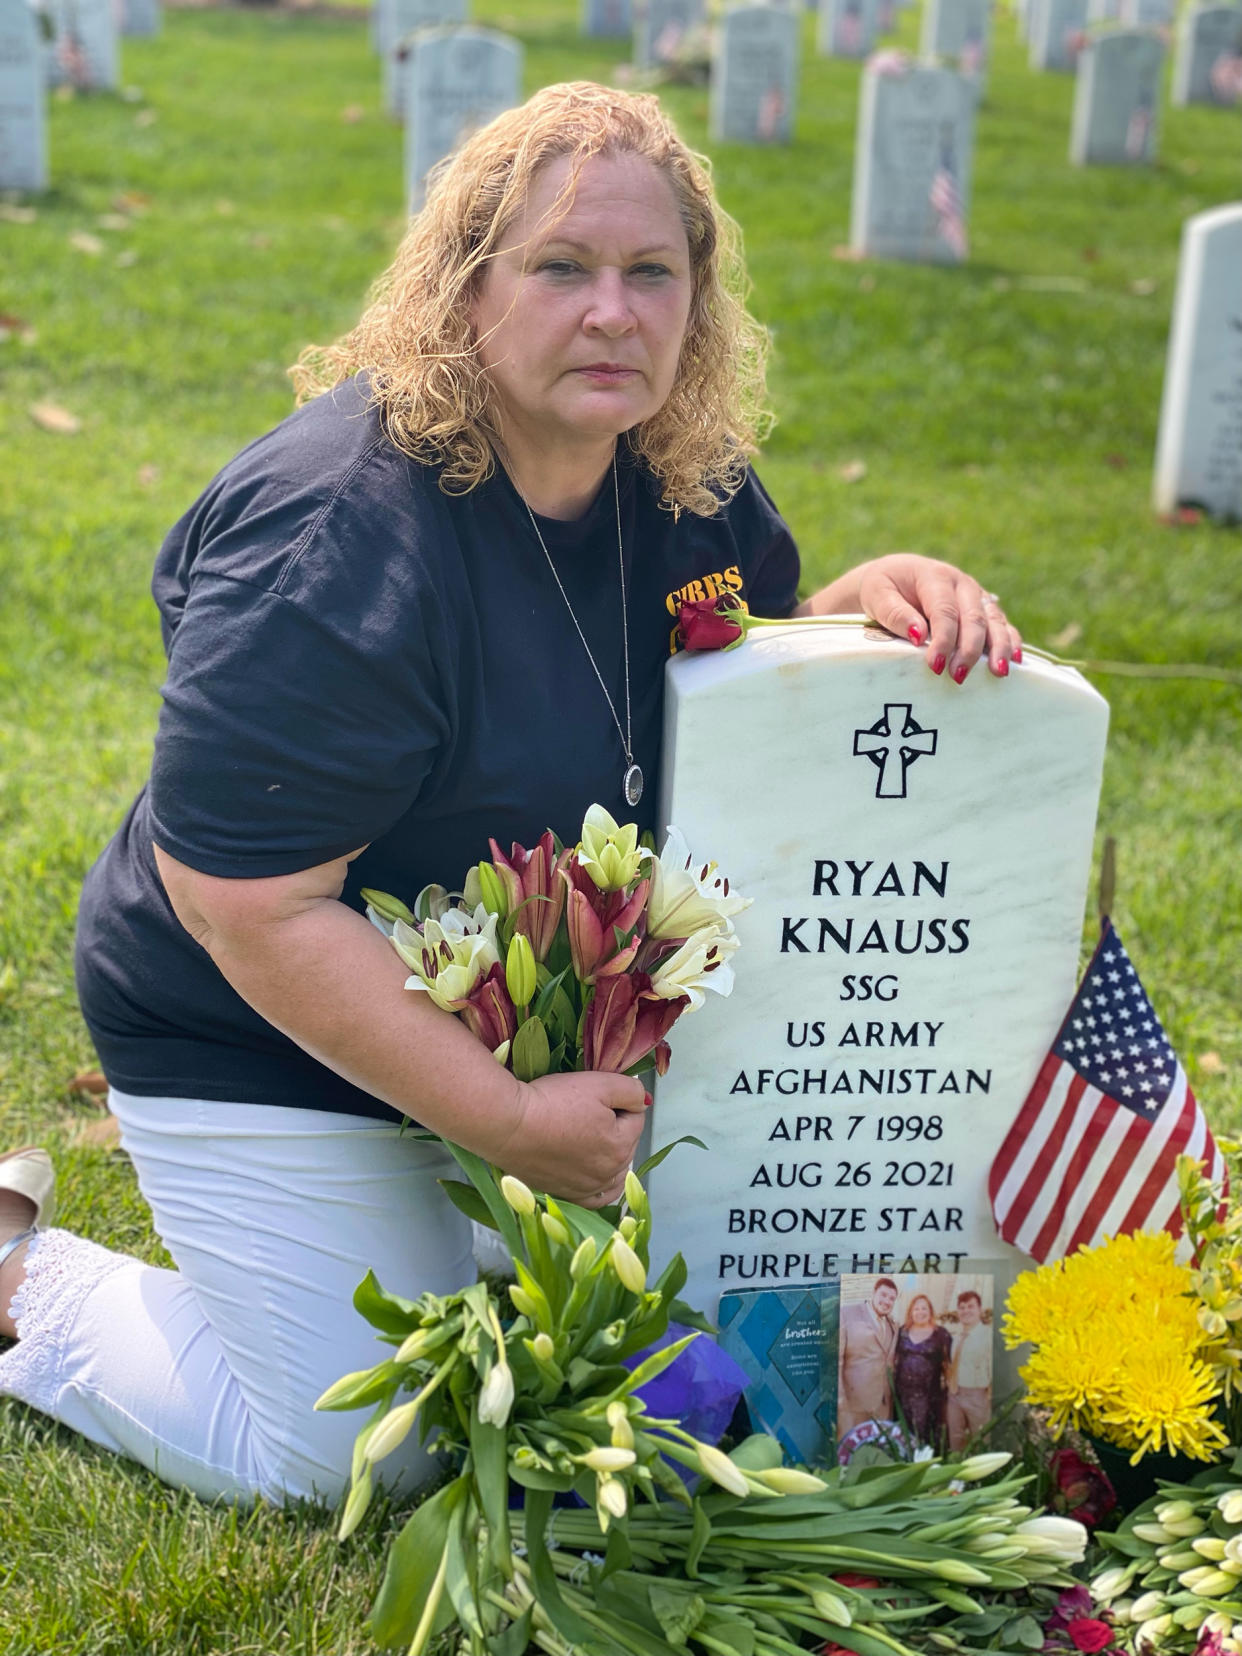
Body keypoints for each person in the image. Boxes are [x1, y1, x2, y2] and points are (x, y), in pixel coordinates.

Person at [0, 82, 1021, 1508]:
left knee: (693, 1310)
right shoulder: (336, 548)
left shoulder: (679, 476)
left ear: (697, 300)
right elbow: (244, 907)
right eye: (559, 267)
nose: (613, 312)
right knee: (364, 1446)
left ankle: (445, 1216)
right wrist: (501, 1119)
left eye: (650, 272)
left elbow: (736, 675)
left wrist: (872, 610)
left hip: (530, 1005)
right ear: (462, 290)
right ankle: (26, 1277)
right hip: (258, 1023)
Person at [837, 1277, 899, 1435]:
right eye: (883, 1295)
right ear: (873, 1292)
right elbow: (837, 1361)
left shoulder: (893, 1325)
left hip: (883, 1407)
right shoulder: (846, 1313)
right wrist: (840, 1400)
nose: (887, 1301)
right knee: (851, 1453)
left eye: (892, 1298)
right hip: (853, 1406)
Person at [893, 1292, 952, 1450]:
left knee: (925, 1436)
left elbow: (949, 1365)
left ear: (930, 1311)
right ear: (911, 1312)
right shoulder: (901, 1332)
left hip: (929, 1396)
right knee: (903, 1434)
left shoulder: (941, 1334)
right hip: (902, 1395)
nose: (920, 1312)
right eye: (916, 1309)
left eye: (924, 1308)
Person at [947, 1290, 993, 1451]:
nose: (966, 1311)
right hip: (954, 1395)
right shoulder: (956, 1337)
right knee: (955, 1440)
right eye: (962, 1307)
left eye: (970, 1306)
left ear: (980, 1309)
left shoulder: (988, 1336)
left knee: (981, 1440)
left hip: (977, 1396)